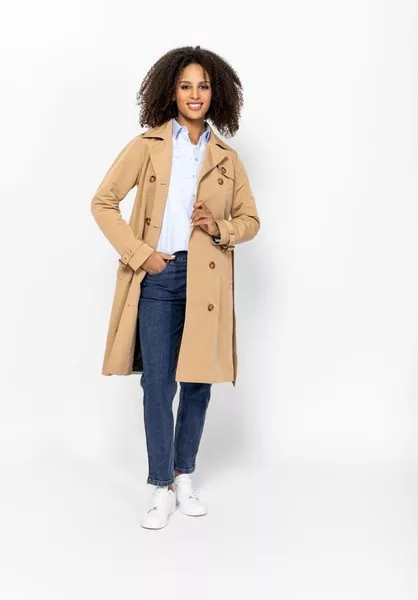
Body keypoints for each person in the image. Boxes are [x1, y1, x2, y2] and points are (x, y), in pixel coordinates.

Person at [90, 45, 260, 530]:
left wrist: (219, 227)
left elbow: (250, 221)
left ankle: (184, 475)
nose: (195, 94)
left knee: (198, 381)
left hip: (207, 281)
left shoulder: (226, 158)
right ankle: (159, 484)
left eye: (203, 86)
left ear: (216, 93)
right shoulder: (147, 146)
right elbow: (103, 202)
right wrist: (141, 254)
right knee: (158, 384)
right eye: (186, 85)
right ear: (171, 92)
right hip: (159, 276)